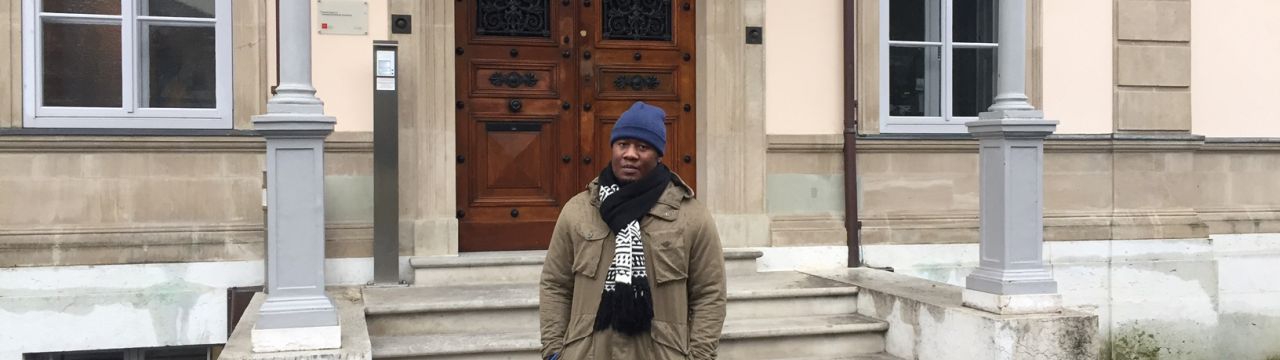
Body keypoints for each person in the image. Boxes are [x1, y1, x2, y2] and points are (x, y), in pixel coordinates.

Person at [539, 101, 727, 360]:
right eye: (622, 144)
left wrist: (700, 356)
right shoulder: (579, 210)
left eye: (643, 147)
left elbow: (709, 295)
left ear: (659, 154)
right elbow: (555, 284)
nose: (630, 154)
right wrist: (554, 350)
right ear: (612, 148)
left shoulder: (691, 217)